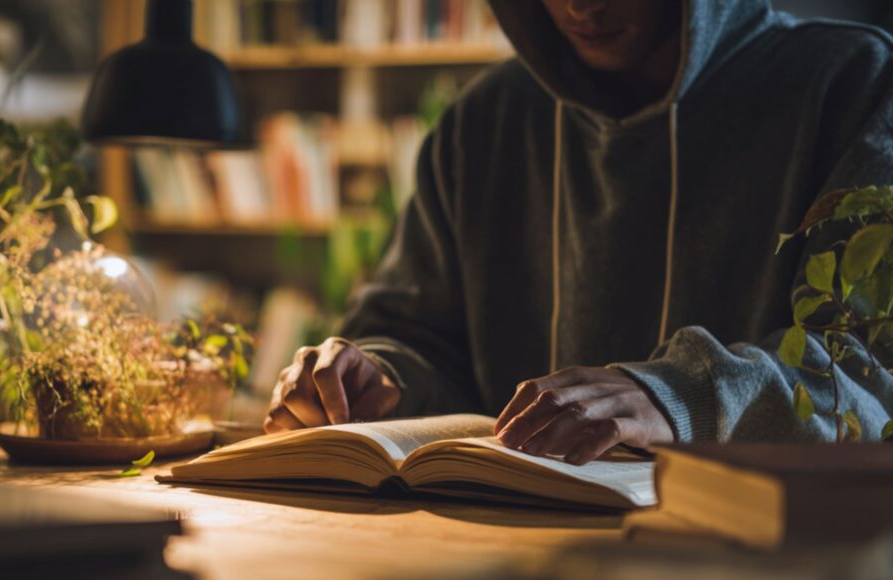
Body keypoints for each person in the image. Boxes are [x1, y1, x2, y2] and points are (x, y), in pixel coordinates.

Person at [264, 0, 893, 463]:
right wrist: (376, 378)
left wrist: (678, 395)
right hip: (498, 554)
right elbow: (419, 335)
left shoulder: (854, 85)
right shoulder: (481, 122)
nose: (578, 6)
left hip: (761, 574)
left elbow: (869, 372)